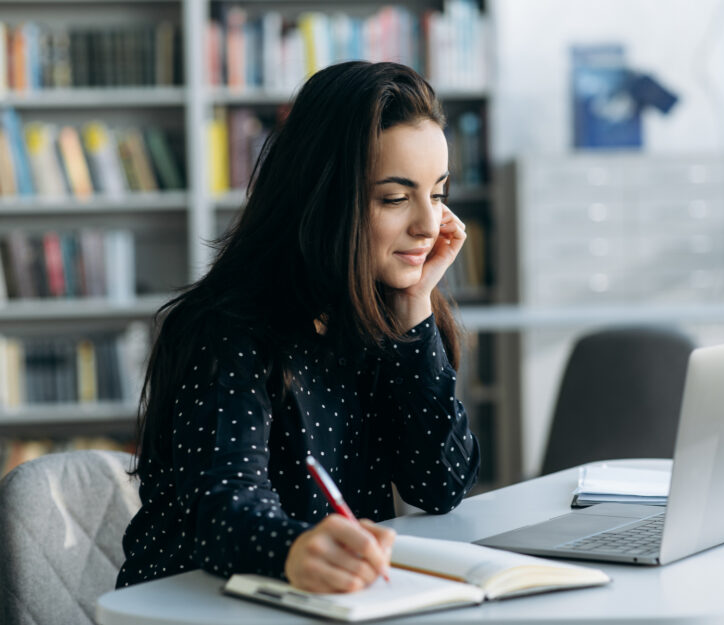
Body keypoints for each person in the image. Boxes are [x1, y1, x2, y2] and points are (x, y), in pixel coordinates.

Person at [116, 61, 481, 593]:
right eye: (395, 198)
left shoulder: (383, 314)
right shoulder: (225, 329)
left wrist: (416, 308)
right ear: (324, 196)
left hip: (321, 602)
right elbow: (223, 513)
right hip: (197, 607)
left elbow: (442, 484)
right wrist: (294, 549)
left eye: (439, 193)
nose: (428, 224)